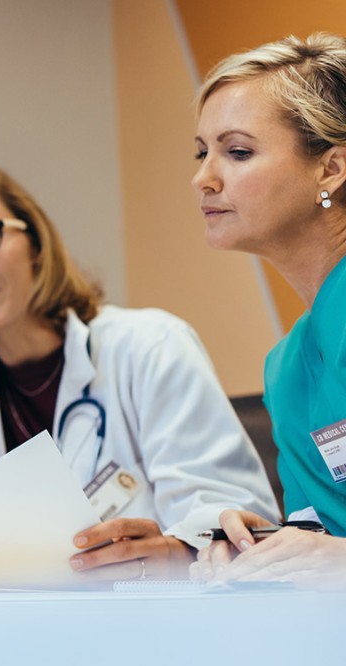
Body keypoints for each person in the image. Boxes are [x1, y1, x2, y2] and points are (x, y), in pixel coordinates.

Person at [0, 162, 278, 581]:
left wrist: (175, 553)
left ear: (35, 244)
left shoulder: (147, 346)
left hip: (156, 623)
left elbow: (234, 517)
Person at [189, 33, 346, 591]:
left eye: (237, 152)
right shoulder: (286, 368)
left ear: (330, 169)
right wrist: (269, 546)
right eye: (202, 152)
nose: (203, 177)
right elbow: (324, 535)